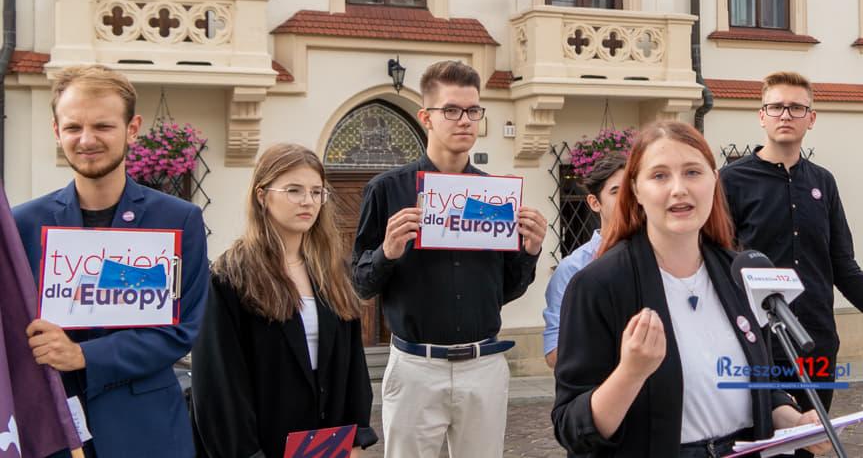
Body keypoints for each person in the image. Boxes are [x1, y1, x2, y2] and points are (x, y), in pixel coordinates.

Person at [552, 120, 829, 458]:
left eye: (692, 172)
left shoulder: (739, 274)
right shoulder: (597, 285)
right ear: (636, 190)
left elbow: (760, 388)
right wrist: (630, 373)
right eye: (659, 176)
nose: (679, 189)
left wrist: (795, 421)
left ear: (714, 180)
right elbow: (572, 427)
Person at [351, 60, 548, 458]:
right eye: (452, 110)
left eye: (473, 110)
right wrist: (387, 253)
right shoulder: (387, 190)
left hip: (483, 364)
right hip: (416, 366)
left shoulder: (495, 196)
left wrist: (529, 252)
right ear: (426, 117)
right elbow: (361, 283)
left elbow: (505, 290)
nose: (465, 121)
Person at [13, 65, 209, 458]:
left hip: (147, 432)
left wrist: (83, 355)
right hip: (55, 432)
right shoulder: (23, 224)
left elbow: (179, 330)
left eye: (103, 126)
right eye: (73, 127)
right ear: (56, 131)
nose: (87, 140)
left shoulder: (178, 220)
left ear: (132, 129)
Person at [192, 143, 377, 458]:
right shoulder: (229, 276)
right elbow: (218, 385)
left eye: (316, 192)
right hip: (262, 444)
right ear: (262, 195)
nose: (308, 201)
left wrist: (356, 437)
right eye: (294, 190)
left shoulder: (332, 271)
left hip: (326, 444)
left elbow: (353, 365)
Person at [720, 71, 863, 457]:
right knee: (764, 446)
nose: (785, 114)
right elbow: (718, 265)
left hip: (817, 341)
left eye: (796, 108)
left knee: (810, 446)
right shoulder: (730, 181)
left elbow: (843, 265)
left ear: (810, 118)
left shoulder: (823, 182)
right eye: (776, 107)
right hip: (760, 344)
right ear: (761, 115)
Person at [542, 152, 626, 368]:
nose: (628, 199)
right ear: (595, 202)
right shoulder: (573, 269)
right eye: (616, 191)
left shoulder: (661, 257)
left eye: (633, 190)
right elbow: (554, 354)